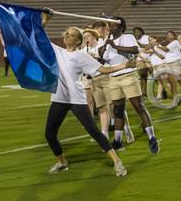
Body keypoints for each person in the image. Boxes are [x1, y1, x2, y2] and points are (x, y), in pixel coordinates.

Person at [45, 26, 128, 177]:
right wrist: (45, 20)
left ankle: (117, 161)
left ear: (78, 41)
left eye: (71, 35)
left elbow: (103, 70)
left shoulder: (81, 57)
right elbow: (39, 35)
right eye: (66, 34)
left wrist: (125, 65)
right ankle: (62, 162)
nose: (67, 36)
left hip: (76, 98)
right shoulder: (58, 51)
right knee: (49, 134)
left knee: (93, 131)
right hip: (59, 98)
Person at [104, 18, 159, 153]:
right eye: (109, 25)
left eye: (113, 25)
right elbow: (103, 58)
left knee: (138, 106)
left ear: (121, 27)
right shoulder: (108, 41)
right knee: (117, 110)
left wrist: (114, 46)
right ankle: (118, 140)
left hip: (128, 75)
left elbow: (134, 50)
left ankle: (152, 137)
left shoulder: (127, 37)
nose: (111, 28)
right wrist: (104, 46)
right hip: (113, 78)